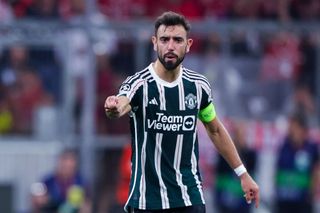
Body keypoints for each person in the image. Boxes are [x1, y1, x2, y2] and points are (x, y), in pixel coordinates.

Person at [104, 11, 259, 213]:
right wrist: (114, 108)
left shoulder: (198, 86)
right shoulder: (139, 84)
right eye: (164, 39)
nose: (170, 46)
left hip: (189, 197)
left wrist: (243, 174)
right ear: (154, 42)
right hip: (147, 200)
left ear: (188, 45)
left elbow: (215, 130)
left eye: (177, 40)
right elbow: (122, 104)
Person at [274, 112, 319, 213]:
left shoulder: (311, 148)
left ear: (302, 129)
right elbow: (278, 171)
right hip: (284, 201)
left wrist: (311, 193)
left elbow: (316, 172)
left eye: (293, 126)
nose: (290, 129)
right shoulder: (284, 146)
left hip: (303, 202)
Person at [214, 121, 257, 213]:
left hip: (242, 203)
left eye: (243, 134)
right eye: (238, 134)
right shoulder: (224, 155)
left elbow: (252, 179)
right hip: (225, 201)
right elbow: (219, 180)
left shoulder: (250, 155)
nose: (240, 137)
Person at [30, 149, 91, 213]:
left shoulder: (81, 182)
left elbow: (87, 205)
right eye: (64, 166)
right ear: (59, 163)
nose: (66, 170)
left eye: (69, 167)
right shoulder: (48, 181)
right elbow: (35, 201)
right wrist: (41, 200)